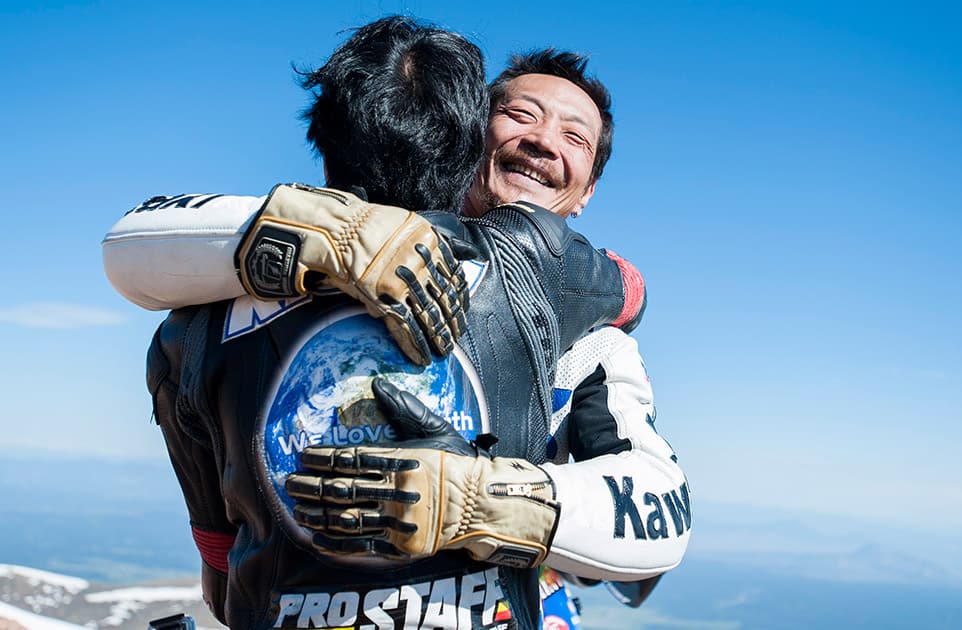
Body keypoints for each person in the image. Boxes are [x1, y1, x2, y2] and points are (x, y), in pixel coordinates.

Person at [106, 21, 690, 629]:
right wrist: (337, 232)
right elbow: (133, 246)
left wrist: (486, 500)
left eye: (576, 137)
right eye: (521, 114)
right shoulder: (276, 251)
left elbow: (662, 509)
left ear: (588, 190)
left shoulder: (587, 329)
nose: (543, 142)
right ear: (468, 132)